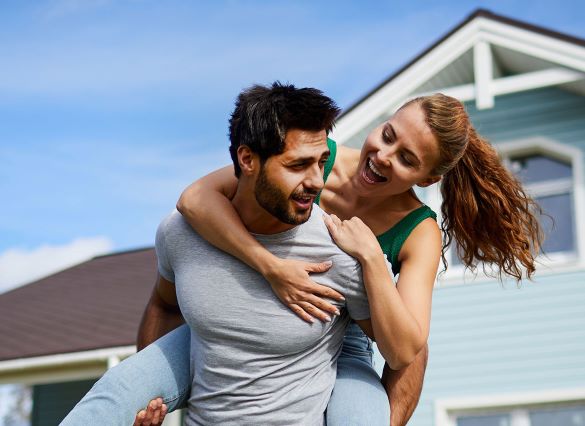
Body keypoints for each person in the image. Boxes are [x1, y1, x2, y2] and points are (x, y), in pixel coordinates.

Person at [137, 88, 543, 425]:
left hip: (348, 335)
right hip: (256, 306)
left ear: (428, 179)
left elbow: (406, 347)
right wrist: (271, 266)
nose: (384, 156)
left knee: (414, 349)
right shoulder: (316, 157)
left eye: (406, 159)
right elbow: (194, 199)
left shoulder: (419, 231)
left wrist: (369, 256)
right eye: (388, 135)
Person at [62, 82, 397, 425]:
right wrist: (150, 402)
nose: (316, 181)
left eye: (321, 163)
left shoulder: (339, 252)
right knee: (107, 400)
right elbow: (164, 305)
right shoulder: (181, 232)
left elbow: (406, 352)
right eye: (297, 165)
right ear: (247, 159)